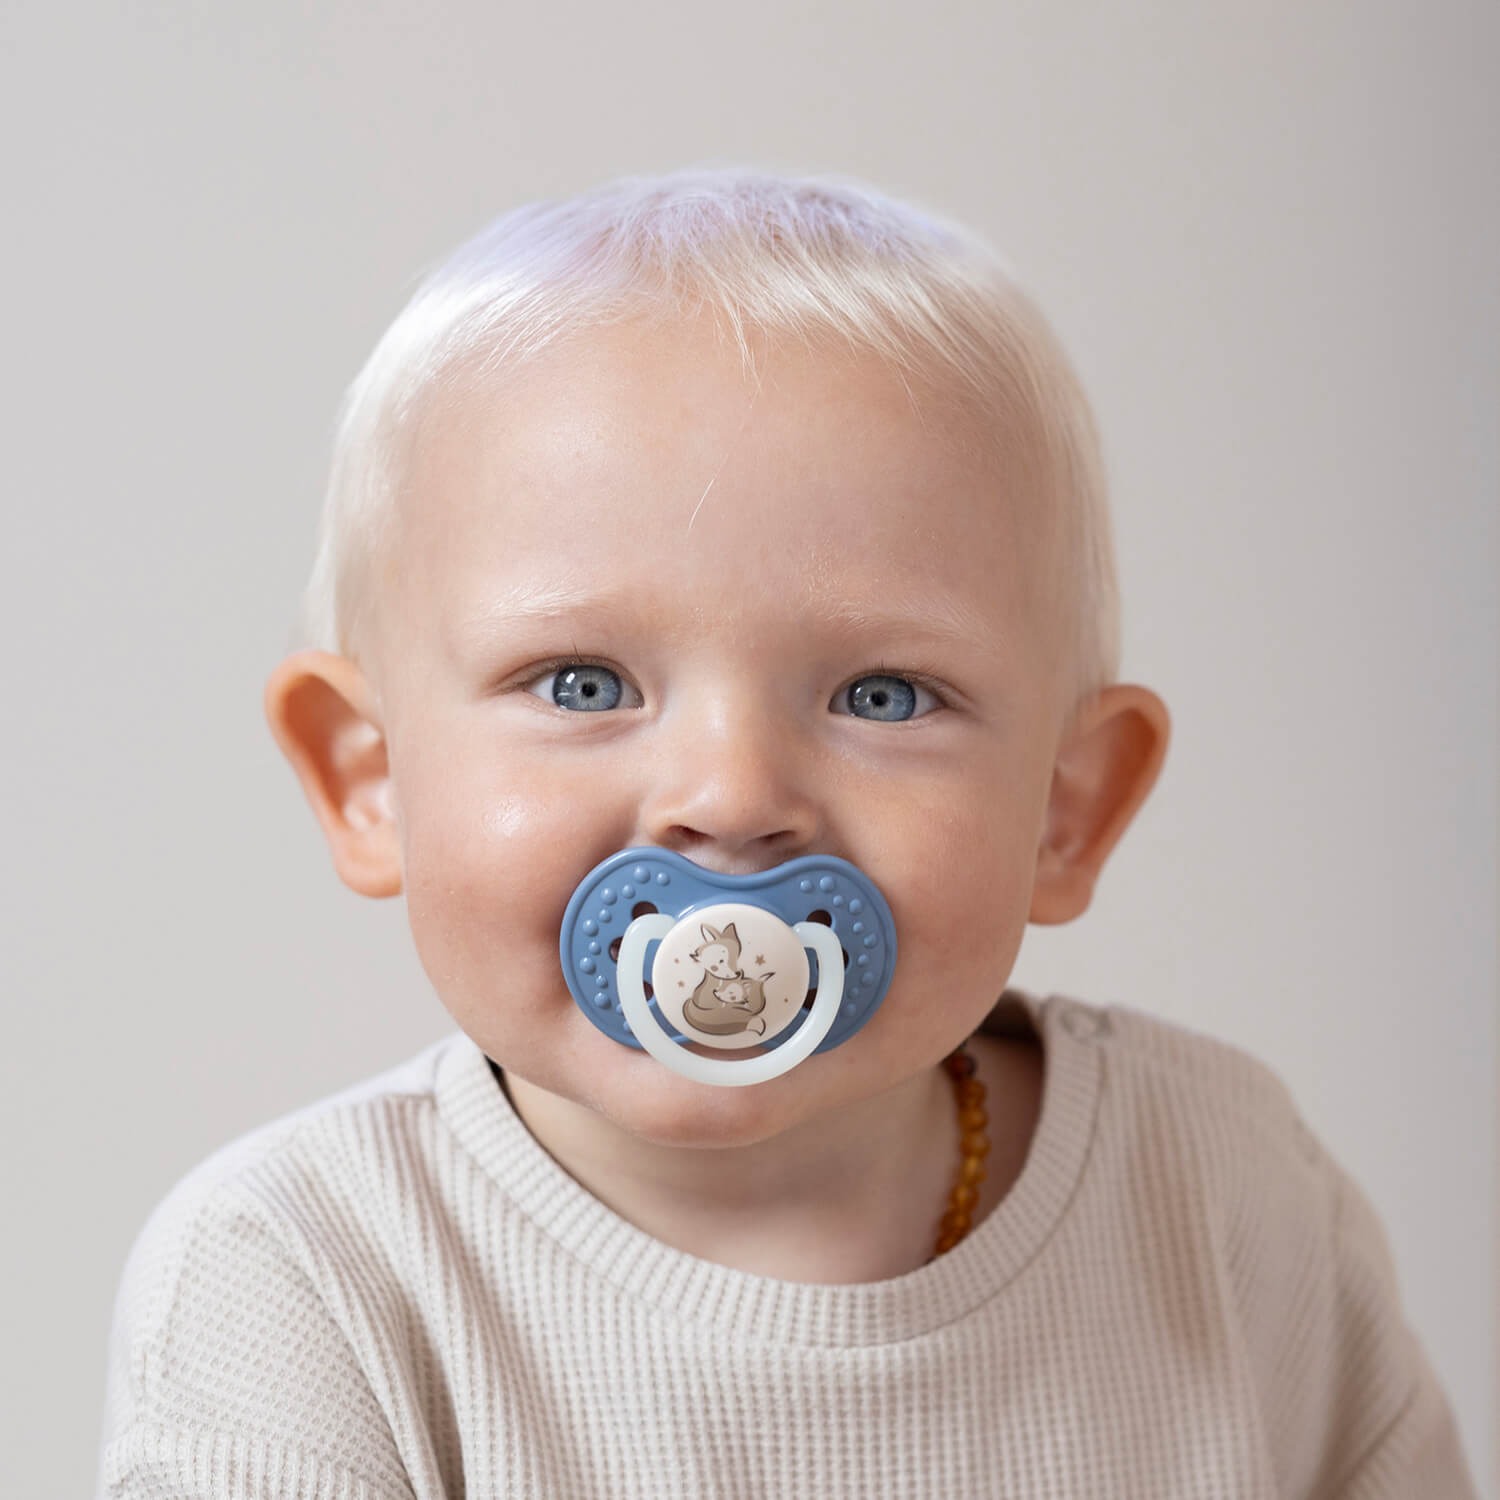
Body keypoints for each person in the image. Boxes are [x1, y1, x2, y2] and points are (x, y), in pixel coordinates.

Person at [96, 169, 1478, 1498]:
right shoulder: (298, 1277)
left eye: (883, 695)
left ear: (1067, 807)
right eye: (583, 684)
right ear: (371, 779)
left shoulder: (1220, 1193)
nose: (735, 792)